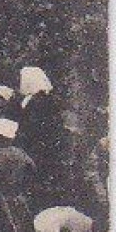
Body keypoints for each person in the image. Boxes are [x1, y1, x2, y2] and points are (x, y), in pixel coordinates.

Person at [14, 66, 69, 211]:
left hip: (39, 149)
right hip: (43, 148)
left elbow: (33, 129)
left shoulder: (37, 102)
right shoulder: (40, 99)